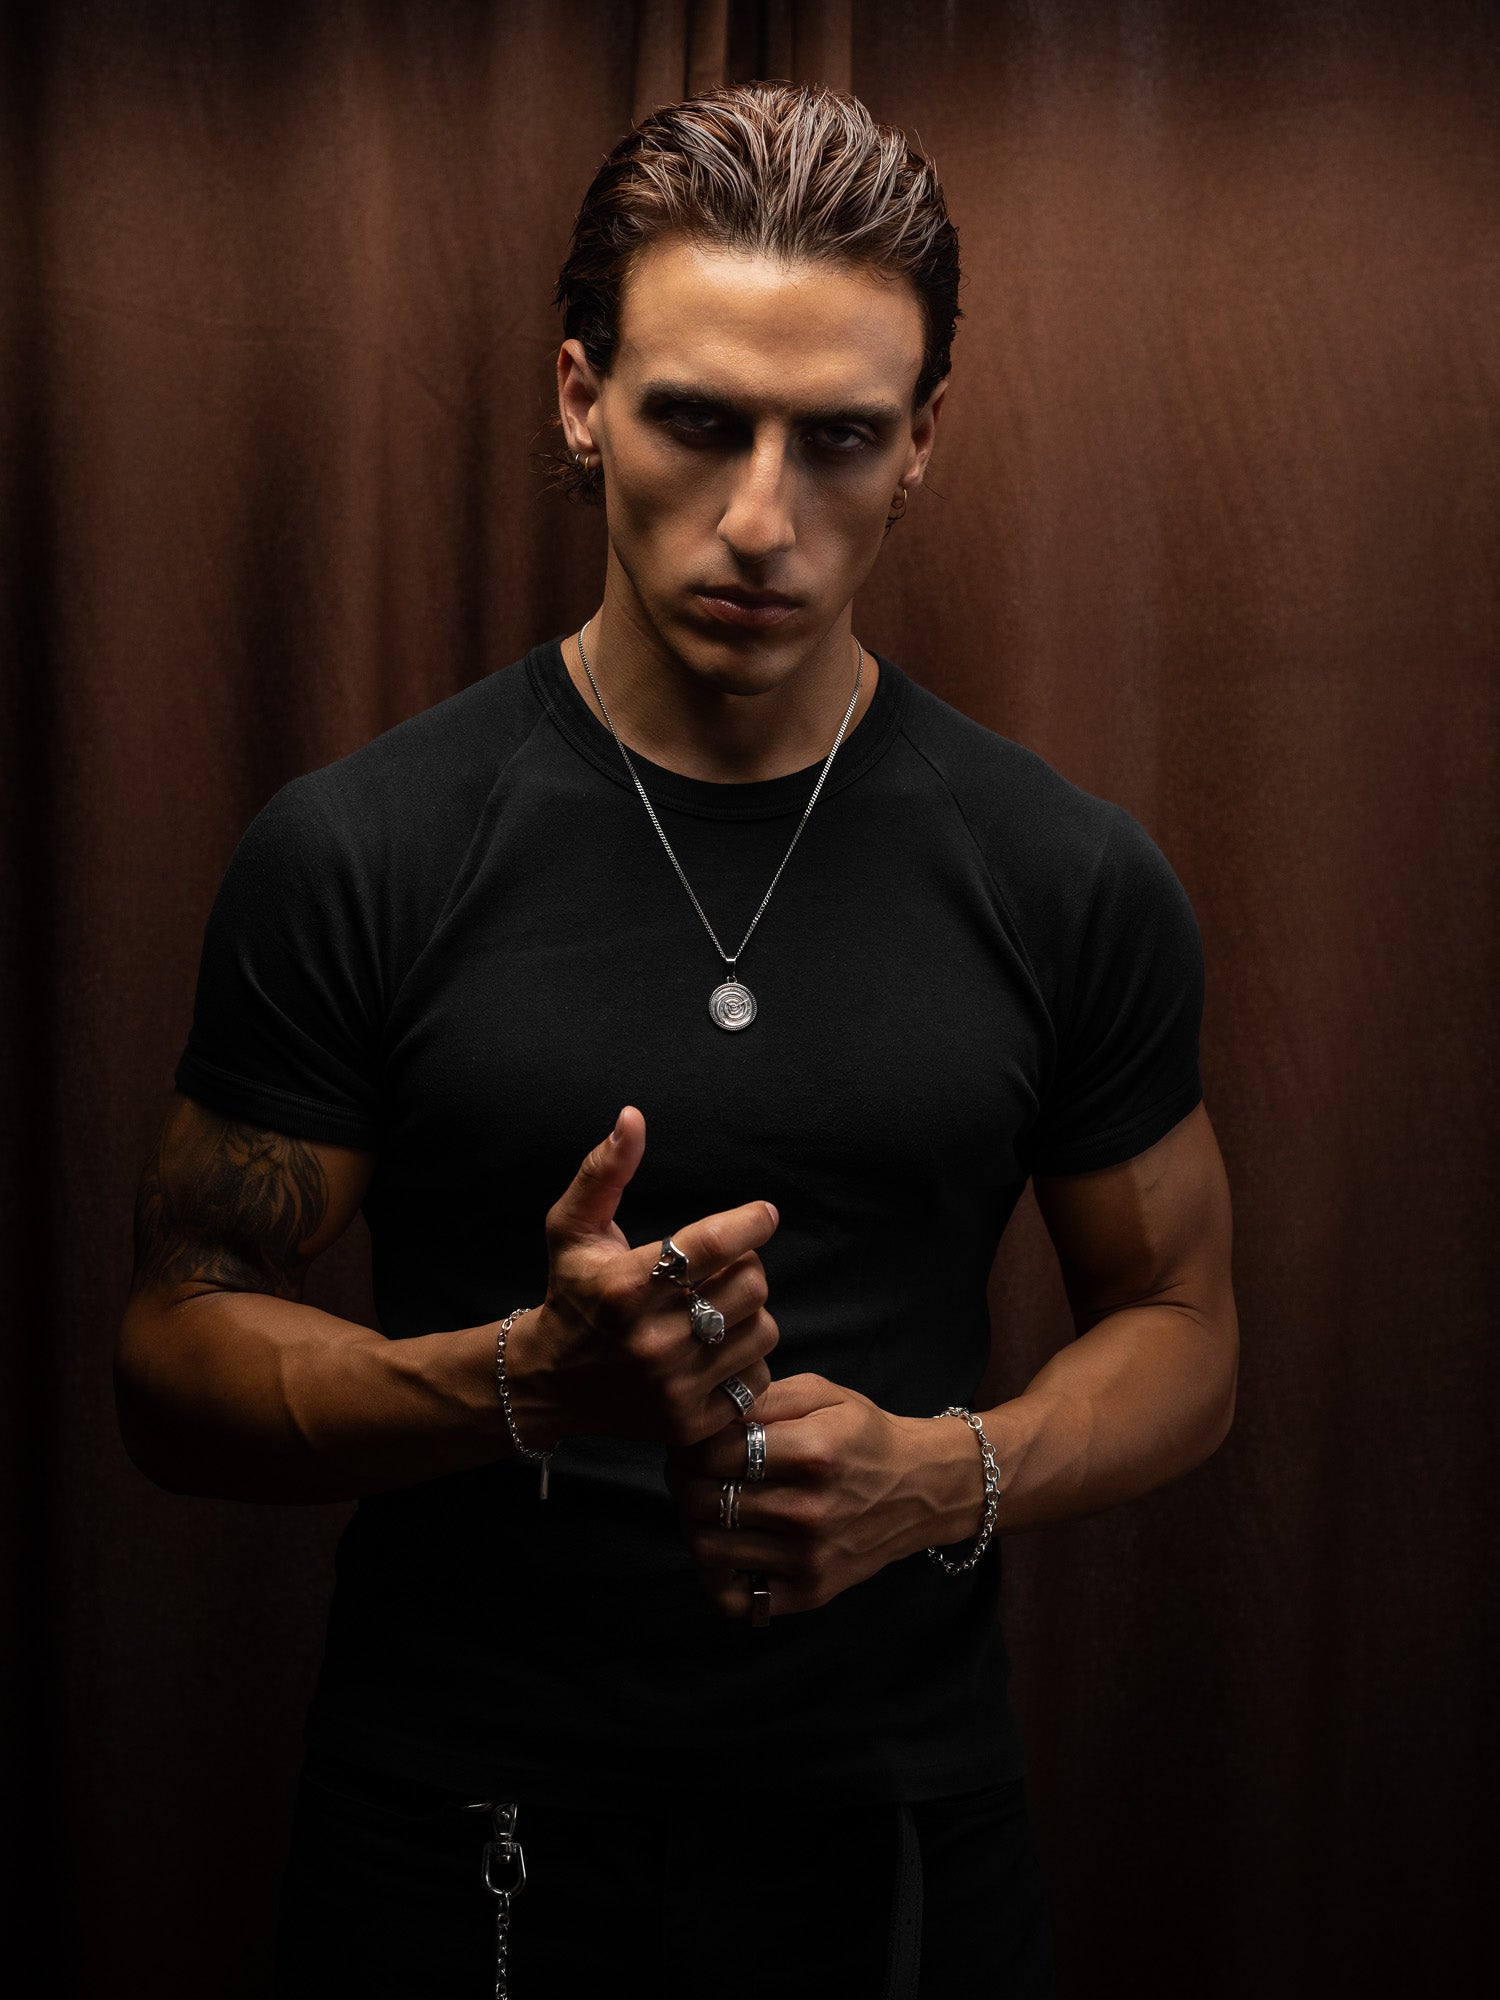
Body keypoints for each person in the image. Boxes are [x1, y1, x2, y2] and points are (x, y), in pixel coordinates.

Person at [114, 81, 1237, 2000]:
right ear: (579, 401)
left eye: (840, 441)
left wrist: (944, 1473)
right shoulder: (364, 849)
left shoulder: (1063, 875)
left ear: (926, 442)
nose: (759, 520)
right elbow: (174, 1348)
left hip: (895, 1850)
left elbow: (1188, 1333)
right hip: (450, 1834)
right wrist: (520, 1384)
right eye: (696, 420)